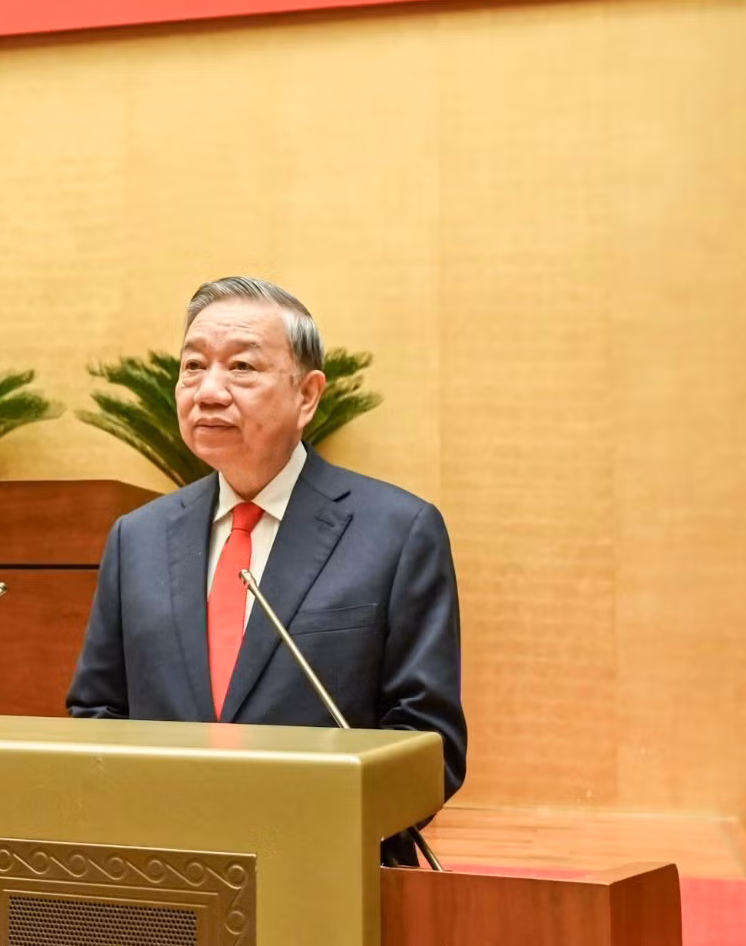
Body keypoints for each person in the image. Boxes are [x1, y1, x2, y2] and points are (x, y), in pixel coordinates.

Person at [66, 276, 465, 866]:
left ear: (307, 395)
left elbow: (428, 744)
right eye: (193, 366)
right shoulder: (139, 538)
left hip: (327, 873)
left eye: (242, 368)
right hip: (168, 873)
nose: (208, 391)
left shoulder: (398, 532)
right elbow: (97, 714)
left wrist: (301, 822)